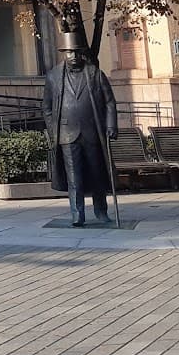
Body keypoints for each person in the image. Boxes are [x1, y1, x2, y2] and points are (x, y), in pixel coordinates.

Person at [44, 30, 118, 227]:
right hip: (67, 135)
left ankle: (101, 211)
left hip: (92, 132)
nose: (73, 56)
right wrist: (54, 131)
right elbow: (47, 108)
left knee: (97, 175)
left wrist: (111, 125)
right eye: (70, 52)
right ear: (64, 53)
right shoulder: (53, 77)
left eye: (76, 52)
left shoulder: (95, 74)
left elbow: (110, 102)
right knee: (74, 177)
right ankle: (77, 214)